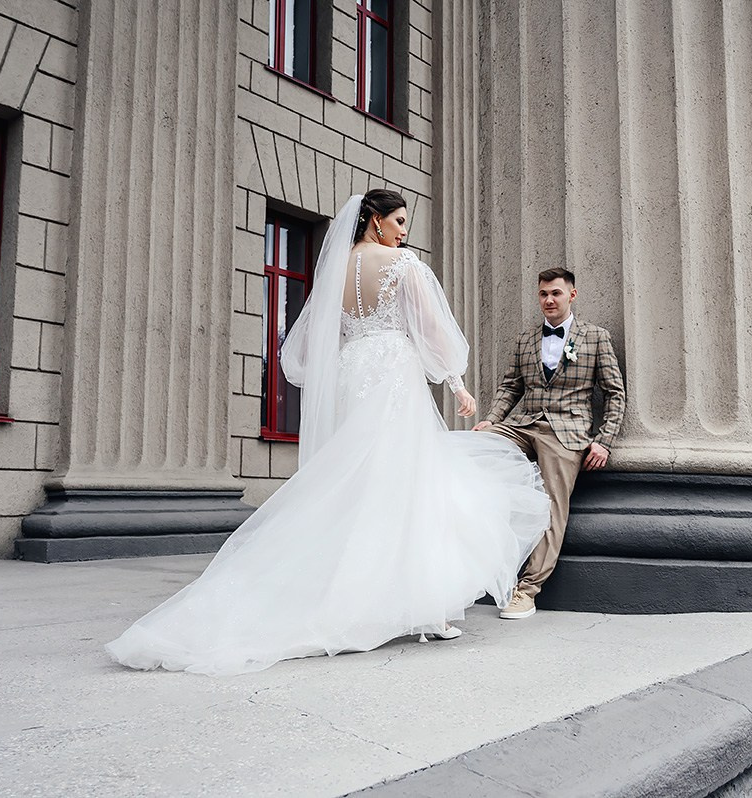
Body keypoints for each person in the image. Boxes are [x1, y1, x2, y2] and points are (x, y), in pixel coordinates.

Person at [105, 191, 550, 676]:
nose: (404, 230)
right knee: (405, 482)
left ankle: (399, 600)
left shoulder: (335, 269)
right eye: (399, 220)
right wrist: (457, 384)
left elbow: (318, 339)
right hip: (392, 372)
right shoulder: (405, 265)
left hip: (353, 373)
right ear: (375, 221)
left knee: (359, 485)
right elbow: (432, 333)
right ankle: (426, 607)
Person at [474, 268, 626, 620]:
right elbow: (511, 386)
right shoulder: (526, 340)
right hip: (522, 424)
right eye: (543, 294)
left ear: (572, 295)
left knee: (552, 507)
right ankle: (471, 562)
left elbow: (615, 394)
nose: (548, 300)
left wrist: (603, 441)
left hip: (566, 433)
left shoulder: (595, 337)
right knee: (474, 447)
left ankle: (526, 591)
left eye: (556, 293)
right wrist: (492, 421)